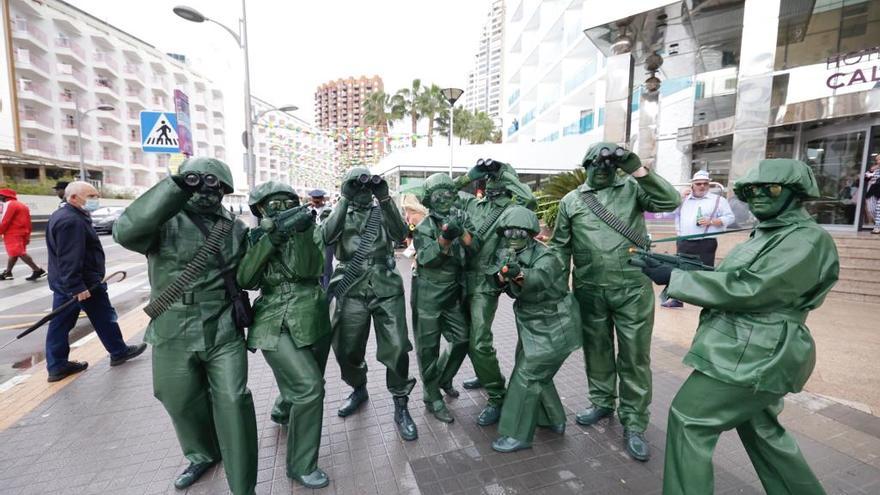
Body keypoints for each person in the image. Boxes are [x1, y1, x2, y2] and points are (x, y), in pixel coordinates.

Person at [638, 159, 838, 495]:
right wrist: (676, 267)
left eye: (770, 189)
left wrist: (678, 279)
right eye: (751, 190)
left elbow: (755, 290)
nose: (758, 196)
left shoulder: (805, 240)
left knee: (690, 419)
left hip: (757, 351)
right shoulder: (772, 233)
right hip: (749, 346)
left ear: (795, 194)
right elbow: (735, 278)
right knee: (763, 432)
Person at [113, 158, 258, 494]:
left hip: (221, 325)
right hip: (172, 325)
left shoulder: (235, 228)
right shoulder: (164, 221)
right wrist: (175, 188)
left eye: (216, 185)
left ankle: (243, 486)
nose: (208, 191)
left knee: (234, 402)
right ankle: (203, 453)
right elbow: (125, 232)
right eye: (199, 183)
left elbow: (250, 273)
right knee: (176, 397)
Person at [550, 142, 680, 461]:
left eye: (608, 163)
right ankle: (602, 401)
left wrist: (635, 166)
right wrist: (551, 289)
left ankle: (634, 422)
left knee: (634, 356)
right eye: (594, 163)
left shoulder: (633, 189)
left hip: (632, 289)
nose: (601, 168)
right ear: (585, 165)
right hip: (589, 290)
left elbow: (671, 200)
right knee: (597, 349)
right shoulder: (572, 201)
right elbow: (559, 248)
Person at [236, 182, 331, 489]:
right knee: (309, 387)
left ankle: (281, 409)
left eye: (286, 202)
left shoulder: (311, 231)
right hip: (273, 318)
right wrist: (270, 240)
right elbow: (246, 279)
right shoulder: (253, 237)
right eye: (272, 204)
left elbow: (313, 268)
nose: (280, 208)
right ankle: (301, 465)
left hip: (312, 314)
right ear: (260, 209)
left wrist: (302, 233)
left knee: (309, 378)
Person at [323, 167, 418, 441]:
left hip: (385, 286)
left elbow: (401, 236)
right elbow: (327, 237)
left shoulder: (382, 211)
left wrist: (386, 198)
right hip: (350, 286)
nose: (364, 190)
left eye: (367, 186)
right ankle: (358, 387)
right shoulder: (338, 212)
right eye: (358, 186)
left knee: (398, 347)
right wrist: (344, 198)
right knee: (346, 349)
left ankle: (401, 405)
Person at [490, 206, 581, 453]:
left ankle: (517, 434)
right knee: (535, 372)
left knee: (527, 376)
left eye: (519, 230)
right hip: (532, 326)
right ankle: (553, 419)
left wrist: (518, 274)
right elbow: (496, 279)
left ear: (530, 231)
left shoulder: (547, 257)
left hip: (554, 325)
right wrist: (501, 275)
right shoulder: (508, 252)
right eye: (508, 230)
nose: (512, 235)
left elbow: (539, 278)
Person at [453, 159, 536, 426]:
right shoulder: (472, 204)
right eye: (489, 177)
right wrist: (468, 175)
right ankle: (484, 371)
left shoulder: (512, 210)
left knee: (479, 341)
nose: (491, 180)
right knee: (468, 338)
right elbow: (437, 197)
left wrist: (506, 174)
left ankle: (497, 396)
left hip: (485, 283)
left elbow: (529, 200)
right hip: (461, 279)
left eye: (494, 176)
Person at [44, 182, 145, 382]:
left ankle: (114, 351)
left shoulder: (67, 215)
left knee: (86, 318)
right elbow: (69, 257)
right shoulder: (70, 221)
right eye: (90, 196)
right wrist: (76, 287)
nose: (95, 200)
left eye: (96, 195)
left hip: (75, 282)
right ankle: (115, 352)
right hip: (81, 283)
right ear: (73, 197)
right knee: (87, 319)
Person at [411, 173, 472, 424]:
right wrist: (446, 236)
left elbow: (472, 247)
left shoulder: (460, 218)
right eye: (438, 195)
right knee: (428, 349)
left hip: (452, 292)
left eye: (449, 193)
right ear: (429, 200)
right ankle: (431, 395)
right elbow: (427, 258)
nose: (444, 199)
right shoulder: (424, 226)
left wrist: (464, 233)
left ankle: (442, 378)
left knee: (462, 339)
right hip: (428, 294)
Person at [661, 170, 734, 308]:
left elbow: (730, 217)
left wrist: (712, 221)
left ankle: (707, 300)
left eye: (705, 184)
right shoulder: (683, 199)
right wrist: (678, 198)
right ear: (692, 185)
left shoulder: (718, 200)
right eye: (698, 184)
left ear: (709, 185)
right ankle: (676, 298)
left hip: (707, 241)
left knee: (705, 270)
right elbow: (666, 213)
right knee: (680, 270)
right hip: (684, 240)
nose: (702, 186)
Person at [0, 188, 46, 281]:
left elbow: (5, 220)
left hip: (12, 233)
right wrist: (28, 235)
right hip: (22, 232)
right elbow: (28, 221)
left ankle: (38, 270)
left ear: (4, 196)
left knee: (18, 252)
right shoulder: (22, 205)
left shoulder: (9, 204)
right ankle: (8, 273)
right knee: (15, 253)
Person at [308, 189, 334, 288]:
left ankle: (327, 292)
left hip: (326, 242)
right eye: (315, 199)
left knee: (326, 268)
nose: (316, 200)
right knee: (314, 267)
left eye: (318, 198)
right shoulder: (307, 211)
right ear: (311, 199)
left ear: (323, 199)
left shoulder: (330, 210)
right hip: (312, 242)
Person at [864, 156, 880, 234]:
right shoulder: (875, 169)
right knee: (871, 209)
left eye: (879, 159)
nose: (878, 161)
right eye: (877, 159)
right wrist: (871, 170)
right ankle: (878, 224)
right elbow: (866, 179)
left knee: (879, 208)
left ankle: (877, 227)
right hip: (873, 190)